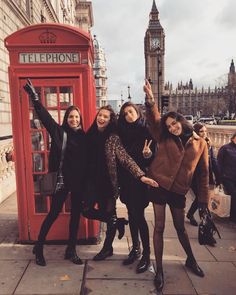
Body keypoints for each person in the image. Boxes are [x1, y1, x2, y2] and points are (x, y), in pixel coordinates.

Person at [143, 79, 209, 292]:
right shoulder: (162, 135)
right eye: (169, 125)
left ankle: (190, 259)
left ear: (181, 120)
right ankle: (159, 269)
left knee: (181, 228)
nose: (172, 128)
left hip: (179, 191)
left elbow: (203, 174)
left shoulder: (200, 142)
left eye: (174, 123)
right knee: (159, 227)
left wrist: (203, 201)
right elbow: (153, 120)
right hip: (159, 185)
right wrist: (151, 100)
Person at [83, 105, 158, 261]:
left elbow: (125, 158)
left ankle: (110, 248)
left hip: (111, 182)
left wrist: (141, 175)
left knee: (131, 215)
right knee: (86, 210)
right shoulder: (91, 134)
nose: (101, 118)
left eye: (106, 116)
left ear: (111, 120)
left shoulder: (114, 138)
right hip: (95, 182)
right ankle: (118, 223)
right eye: (100, 115)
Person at [24, 80, 87, 266]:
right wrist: (35, 98)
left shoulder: (84, 137)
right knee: (53, 214)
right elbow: (45, 118)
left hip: (78, 183)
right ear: (66, 118)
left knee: (76, 216)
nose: (74, 120)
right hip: (61, 181)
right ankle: (39, 247)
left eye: (77, 117)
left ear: (80, 119)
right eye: (71, 117)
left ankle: (71, 249)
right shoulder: (59, 132)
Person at [118, 101, 155, 273]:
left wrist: (148, 155)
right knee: (131, 215)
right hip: (126, 180)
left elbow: (152, 159)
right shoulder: (122, 132)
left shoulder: (146, 131)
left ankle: (146, 255)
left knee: (139, 216)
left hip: (141, 181)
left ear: (138, 113)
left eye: (131, 112)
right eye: (125, 113)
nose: (128, 116)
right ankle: (135, 249)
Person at [186, 123, 221, 226]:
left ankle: (193, 216)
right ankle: (205, 223)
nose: (204, 133)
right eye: (201, 131)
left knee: (201, 198)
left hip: (204, 176)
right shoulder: (193, 143)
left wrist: (218, 177)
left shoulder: (208, 144)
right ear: (196, 132)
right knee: (201, 197)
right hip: (193, 176)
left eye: (205, 131)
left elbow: (213, 161)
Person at [217, 132, 236, 223]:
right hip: (227, 177)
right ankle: (233, 217)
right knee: (234, 194)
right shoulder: (225, 148)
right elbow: (219, 164)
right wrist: (220, 179)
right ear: (233, 138)